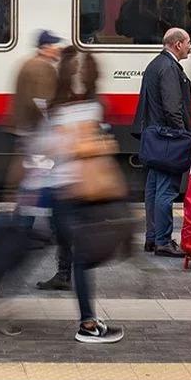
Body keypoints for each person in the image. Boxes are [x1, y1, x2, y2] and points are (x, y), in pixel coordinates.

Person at [33, 47, 124, 343]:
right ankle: (87, 324)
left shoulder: (55, 109)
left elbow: (46, 149)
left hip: (61, 191)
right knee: (84, 258)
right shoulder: (93, 109)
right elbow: (96, 148)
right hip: (82, 194)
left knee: (70, 253)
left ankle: (87, 320)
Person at [131, 27, 191, 258]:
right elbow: (172, 107)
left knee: (154, 189)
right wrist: (183, 135)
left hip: (155, 138)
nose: (189, 47)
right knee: (166, 191)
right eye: (187, 43)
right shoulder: (168, 68)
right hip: (168, 139)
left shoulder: (155, 64)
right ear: (177, 44)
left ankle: (152, 237)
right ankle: (164, 241)